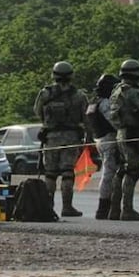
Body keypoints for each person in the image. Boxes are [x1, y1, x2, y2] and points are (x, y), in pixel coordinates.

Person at [33, 61, 89, 217]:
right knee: (68, 173)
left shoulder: (46, 93)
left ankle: (48, 207)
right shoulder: (79, 95)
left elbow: (37, 111)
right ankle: (67, 207)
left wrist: (48, 124)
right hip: (71, 138)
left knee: (50, 174)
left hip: (51, 138)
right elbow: (86, 117)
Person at [107, 59, 139, 221]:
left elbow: (112, 115)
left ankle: (114, 209)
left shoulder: (116, 91)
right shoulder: (135, 93)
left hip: (120, 133)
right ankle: (127, 209)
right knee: (132, 171)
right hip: (133, 135)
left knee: (121, 171)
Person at [85, 73, 121, 220]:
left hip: (100, 139)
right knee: (109, 174)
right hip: (109, 140)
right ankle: (103, 208)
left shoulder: (94, 102)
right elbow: (113, 121)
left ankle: (106, 207)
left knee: (109, 173)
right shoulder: (105, 103)